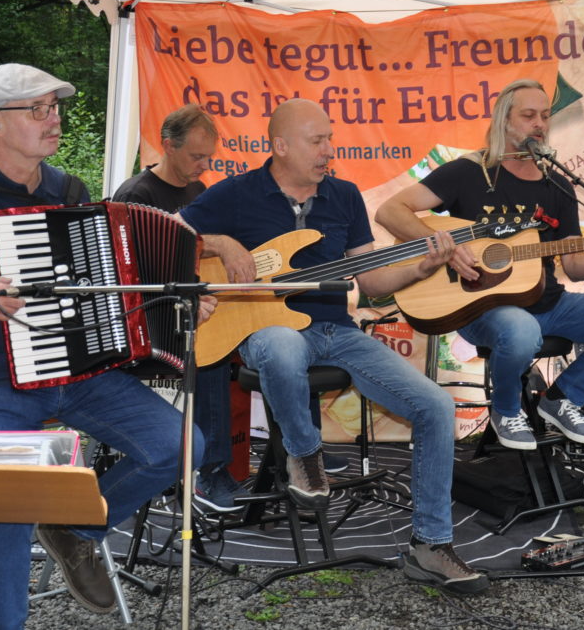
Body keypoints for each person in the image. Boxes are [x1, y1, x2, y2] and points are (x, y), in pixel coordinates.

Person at [0, 64, 201, 627]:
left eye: (55, 108)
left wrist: (169, 304)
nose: (52, 119)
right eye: (37, 109)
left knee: (180, 444)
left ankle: (74, 527)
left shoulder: (68, 191)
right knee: (4, 514)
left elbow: (105, 287)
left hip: (77, 373)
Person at [179, 98, 488, 595]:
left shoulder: (343, 196)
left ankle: (431, 545)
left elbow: (371, 280)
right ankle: (305, 455)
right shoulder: (236, 195)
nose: (329, 150)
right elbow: (169, 231)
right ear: (280, 146)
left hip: (337, 333)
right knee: (280, 346)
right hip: (267, 330)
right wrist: (220, 244)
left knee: (433, 405)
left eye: (330, 139)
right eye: (317, 141)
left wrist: (421, 266)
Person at [376, 79, 584, 451]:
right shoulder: (468, 172)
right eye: (529, 115)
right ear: (503, 121)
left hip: (549, 302)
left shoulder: (557, 186)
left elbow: (573, 266)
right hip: (482, 307)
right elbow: (389, 210)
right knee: (521, 330)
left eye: (545, 116)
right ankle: (507, 409)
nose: (539, 124)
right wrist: (444, 247)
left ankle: (563, 398)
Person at [114, 104, 346, 514]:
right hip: (154, 317)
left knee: (288, 338)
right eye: (196, 157)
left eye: (209, 157)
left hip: (205, 309)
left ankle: (299, 457)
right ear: (168, 146)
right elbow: (131, 265)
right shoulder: (137, 194)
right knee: (211, 359)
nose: (205, 165)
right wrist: (220, 243)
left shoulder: (200, 193)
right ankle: (213, 469)